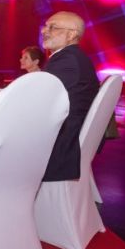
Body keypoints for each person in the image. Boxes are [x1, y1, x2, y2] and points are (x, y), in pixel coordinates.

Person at [41, 11, 99, 181]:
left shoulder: (67, 60)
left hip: (60, 147)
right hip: (68, 139)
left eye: (53, 27)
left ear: (72, 34)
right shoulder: (74, 56)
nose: (45, 31)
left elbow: (40, 101)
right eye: (45, 26)